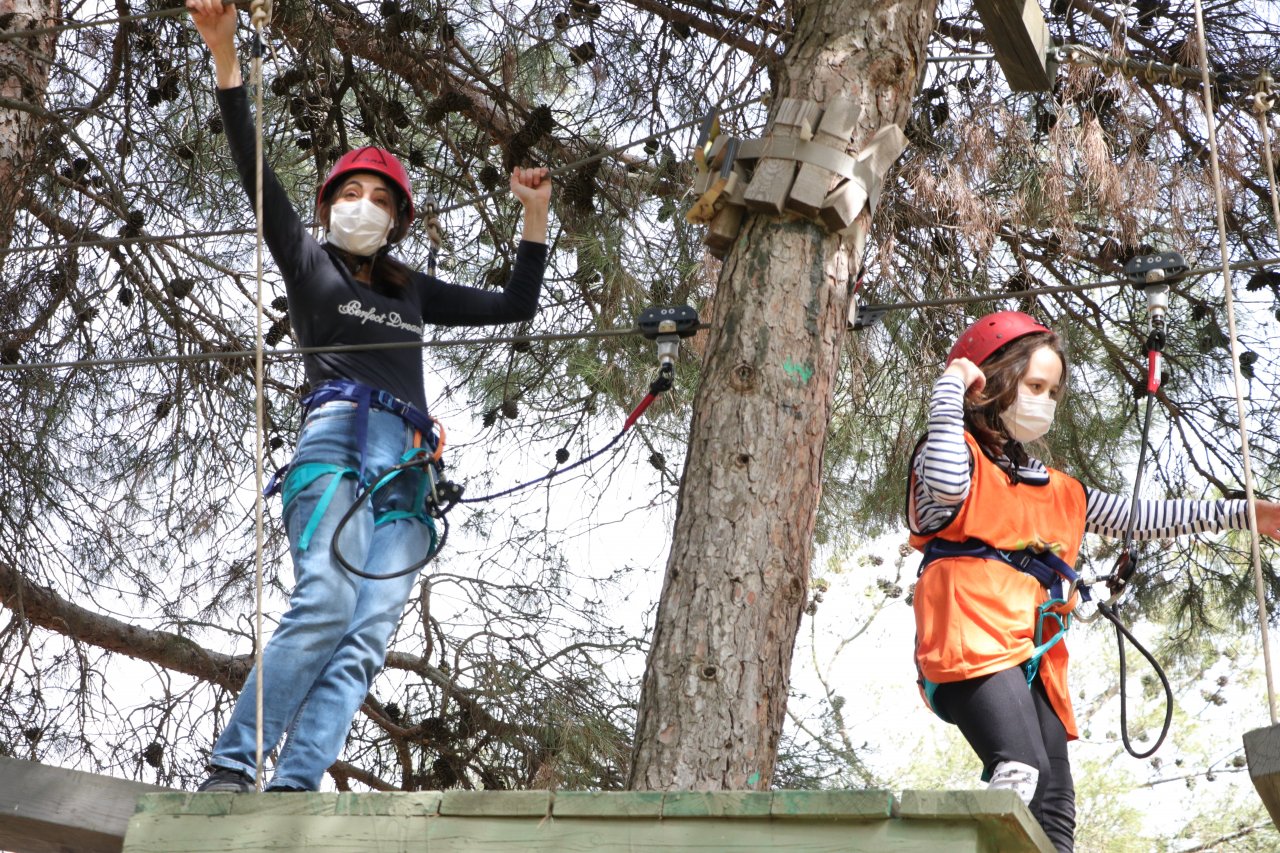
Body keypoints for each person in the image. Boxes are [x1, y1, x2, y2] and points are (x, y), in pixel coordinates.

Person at [186, 0, 552, 792]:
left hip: (409, 468)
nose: (365, 205)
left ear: (397, 219)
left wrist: (535, 217)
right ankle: (230, 767)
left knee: (362, 636)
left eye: (381, 199)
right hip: (337, 444)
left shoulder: (411, 289)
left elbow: (513, 306)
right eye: (352, 193)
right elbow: (254, 169)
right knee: (323, 600)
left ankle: (295, 785)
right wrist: (225, 58)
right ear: (329, 206)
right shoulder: (308, 264)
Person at [907, 310, 1280, 851]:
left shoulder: (1057, 488)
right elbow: (944, 484)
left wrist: (1246, 513)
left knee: (1056, 800)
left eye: (1053, 391)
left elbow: (1141, 515)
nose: (1044, 401)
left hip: (1031, 642)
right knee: (1021, 767)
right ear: (995, 380)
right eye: (1034, 385)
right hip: (971, 631)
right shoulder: (952, 455)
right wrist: (950, 387)